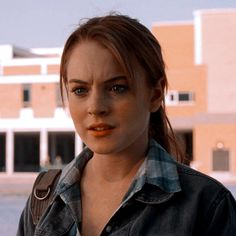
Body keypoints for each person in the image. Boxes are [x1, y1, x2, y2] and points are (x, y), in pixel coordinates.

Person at [17, 14, 236, 236]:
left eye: (116, 88)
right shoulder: (43, 196)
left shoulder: (206, 205)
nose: (96, 107)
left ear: (155, 94)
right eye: (80, 90)